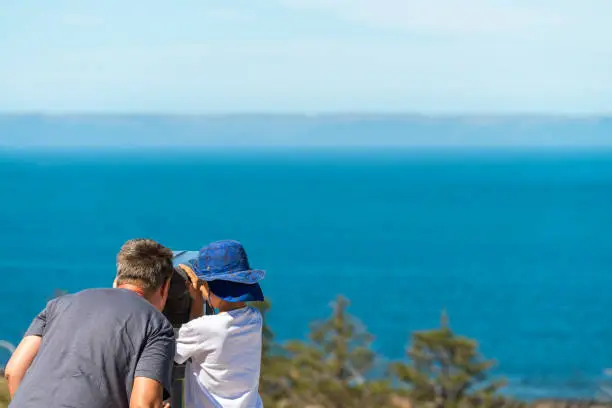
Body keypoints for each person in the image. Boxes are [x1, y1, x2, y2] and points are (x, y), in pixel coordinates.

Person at [5, 238, 177, 408]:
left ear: (117, 278)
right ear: (165, 287)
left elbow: (14, 371)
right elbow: (143, 404)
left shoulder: (58, 305)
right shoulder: (156, 324)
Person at [175, 239, 265, 408]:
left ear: (210, 286)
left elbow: (171, 354)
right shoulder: (255, 319)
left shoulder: (205, 329)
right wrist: (202, 296)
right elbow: (210, 329)